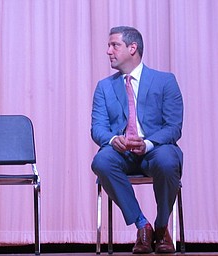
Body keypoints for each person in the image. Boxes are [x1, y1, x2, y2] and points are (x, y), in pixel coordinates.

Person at [91, 26, 183, 254]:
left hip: (154, 150)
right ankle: (143, 225)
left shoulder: (165, 81)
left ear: (133, 48)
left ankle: (162, 227)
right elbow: (97, 128)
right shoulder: (104, 87)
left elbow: (173, 127)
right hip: (121, 153)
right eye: (109, 45)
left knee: (168, 160)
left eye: (114, 45)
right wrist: (113, 139)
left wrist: (148, 143)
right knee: (101, 161)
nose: (108, 51)